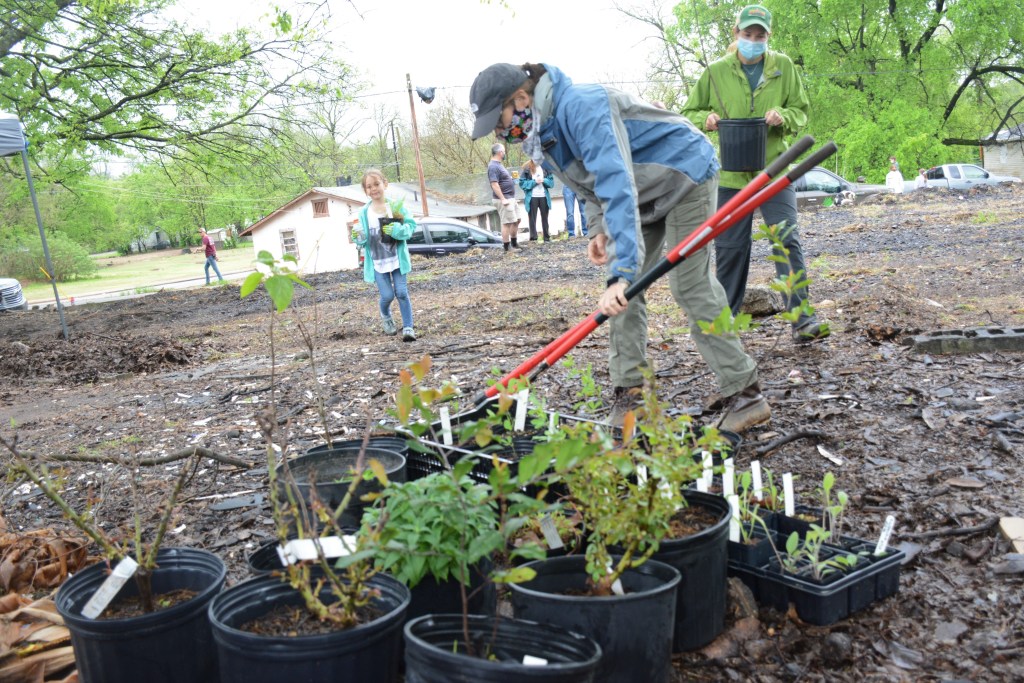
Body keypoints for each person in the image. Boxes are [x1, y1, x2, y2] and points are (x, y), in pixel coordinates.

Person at [469, 62, 770, 433]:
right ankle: (632, 396)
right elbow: (589, 184)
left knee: (686, 285)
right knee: (624, 297)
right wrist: (598, 229)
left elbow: (616, 181)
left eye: (498, 121)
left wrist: (621, 271)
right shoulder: (542, 131)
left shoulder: (581, 106)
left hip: (683, 174)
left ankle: (745, 392)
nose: (500, 132)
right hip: (643, 191)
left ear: (520, 98)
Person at [681, 4, 829, 343]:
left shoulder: (784, 68)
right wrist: (705, 119)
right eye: (747, 34)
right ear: (736, 34)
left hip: (775, 171)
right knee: (731, 247)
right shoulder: (716, 72)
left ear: (767, 37)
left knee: (785, 240)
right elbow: (688, 111)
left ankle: (802, 320)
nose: (753, 40)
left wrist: (784, 116)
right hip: (732, 177)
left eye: (759, 35)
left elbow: (802, 110)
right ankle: (726, 324)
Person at [351, 169, 417, 341]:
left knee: (402, 292)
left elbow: (410, 227)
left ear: (385, 184)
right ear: (365, 190)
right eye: (369, 186)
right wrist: (358, 239)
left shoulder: (395, 206)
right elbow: (362, 239)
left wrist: (397, 230)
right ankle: (385, 315)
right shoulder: (364, 213)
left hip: (397, 259)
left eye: (377, 184)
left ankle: (408, 327)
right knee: (387, 295)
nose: (374, 189)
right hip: (378, 262)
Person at [488, 143, 521, 251]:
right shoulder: (493, 166)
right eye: (504, 151)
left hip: (510, 197)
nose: (505, 153)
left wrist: (511, 179)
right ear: (500, 152)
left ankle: (514, 243)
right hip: (504, 199)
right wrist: (503, 199)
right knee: (506, 222)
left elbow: (501, 180)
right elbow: (494, 184)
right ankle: (507, 248)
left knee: (517, 220)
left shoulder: (499, 164)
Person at [519, 158, 554, 241]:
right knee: (532, 219)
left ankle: (546, 237)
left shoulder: (545, 167)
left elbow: (551, 183)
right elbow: (522, 183)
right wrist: (534, 182)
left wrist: (544, 180)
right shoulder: (527, 168)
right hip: (532, 197)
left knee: (545, 218)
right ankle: (533, 238)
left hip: (544, 196)